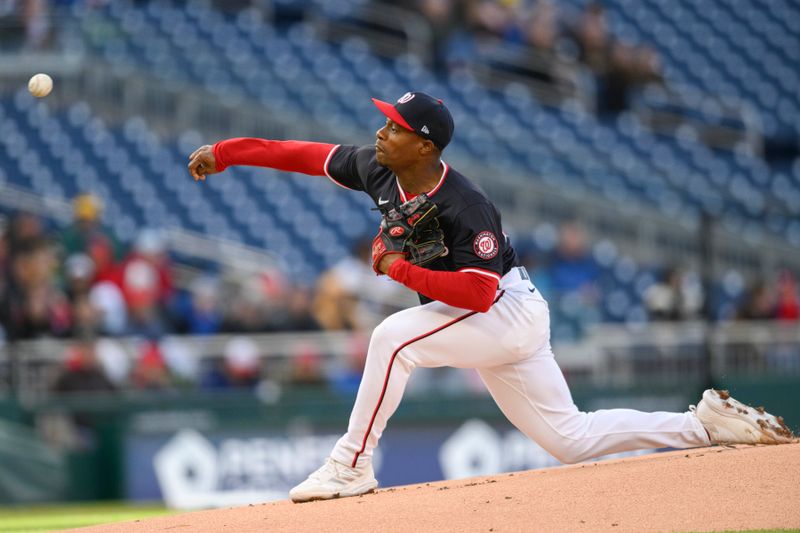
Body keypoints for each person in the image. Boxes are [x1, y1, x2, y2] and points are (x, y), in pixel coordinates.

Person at [187, 91, 794, 503]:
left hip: (504, 309)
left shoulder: (465, 204)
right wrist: (228, 153)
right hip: (486, 314)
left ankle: (350, 465)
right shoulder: (377, 168)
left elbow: (477, 296)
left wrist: (396, 268)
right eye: (384, 121)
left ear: (425, 146)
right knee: (571, 440)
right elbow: (298, 154)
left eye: (394, 127)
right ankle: (704, 427)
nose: (380, 131)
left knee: (392, 339)